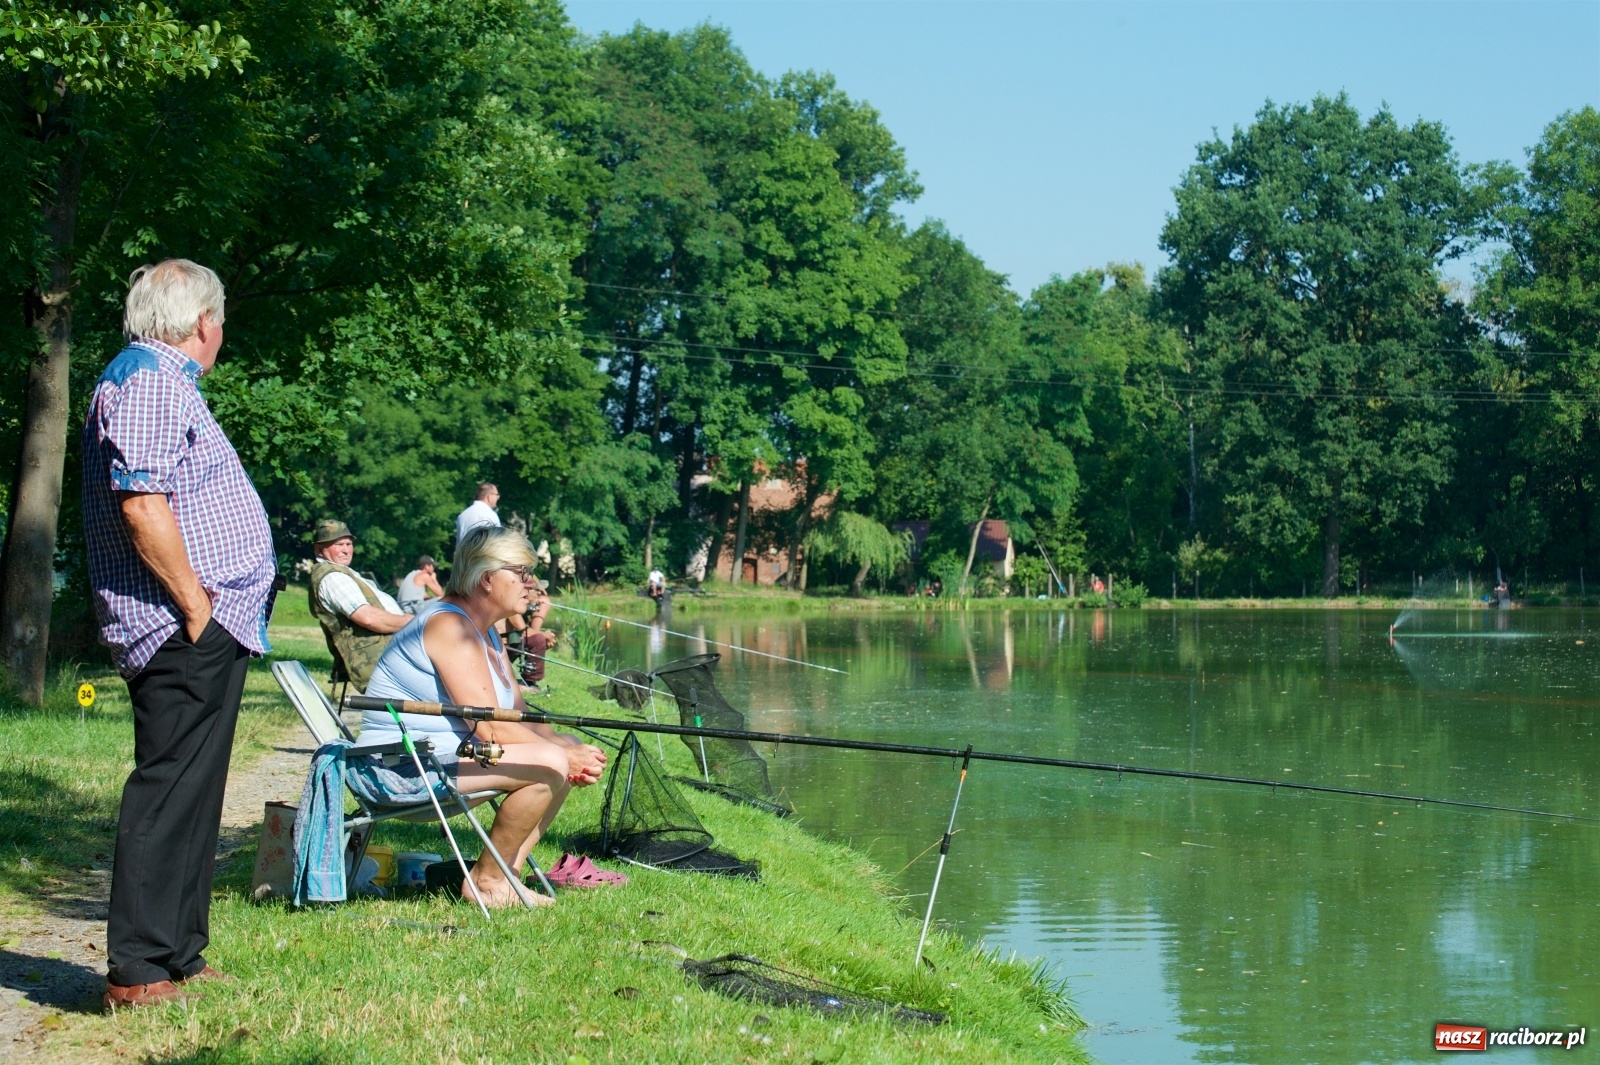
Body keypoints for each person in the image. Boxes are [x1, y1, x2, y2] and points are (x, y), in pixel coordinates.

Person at [83, 259, 279, 1010]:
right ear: (204, 323)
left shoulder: (160, 381)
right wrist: (195, 602)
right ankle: (136, 970)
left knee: (197, 794)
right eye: (220, 320)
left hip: (201, 623)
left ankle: (180, 955)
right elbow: (142, 503)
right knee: (168, 791)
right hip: (177, 624)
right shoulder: (147, 382)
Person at [363, 526, 607, 906]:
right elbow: (491, 729)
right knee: (551, 761)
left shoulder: (485, 631)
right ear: (486, 578)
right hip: (400, 769)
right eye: (521, 572)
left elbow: (518, 715)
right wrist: (561, 756)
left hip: (441, 758)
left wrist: (573, 749)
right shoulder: (450, 625)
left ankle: (504, 874)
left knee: (563, 750)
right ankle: (488, 882)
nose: (532, 584)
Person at [308, 520, 412, 691]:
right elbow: (368, 618)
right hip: (378, 662)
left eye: (348, 543)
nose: (346, 549)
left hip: (391, 653)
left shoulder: (342, 571)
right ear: (320, 550)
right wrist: (410, 621)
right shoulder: (332, 577)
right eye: (338, 544)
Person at [515, 577, 557, 689]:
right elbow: (521, 630)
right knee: (538, 639)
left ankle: (529, 682)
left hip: (514, 639)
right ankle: (528, 683)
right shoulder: (512, 604)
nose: (540, 596)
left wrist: (539, 601)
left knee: (538, 638)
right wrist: (543, 636)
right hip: (503, 643)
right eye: (537, 592)